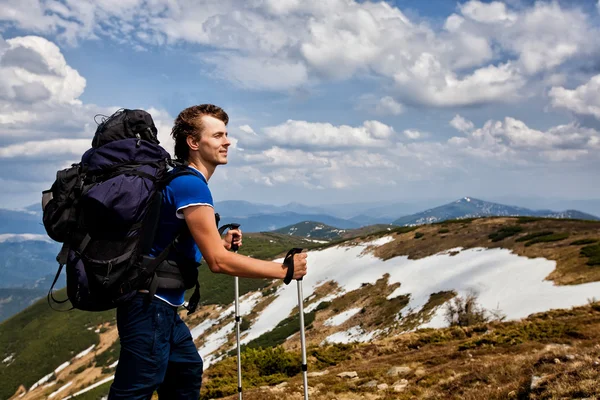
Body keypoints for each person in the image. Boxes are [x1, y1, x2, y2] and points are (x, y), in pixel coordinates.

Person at [108, 104, 308, 399]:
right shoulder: (191, 185)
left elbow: (176, 245)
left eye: (226, 134)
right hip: (149, 309)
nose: (227, 141)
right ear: (193, 142)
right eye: (217, 136)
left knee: (186, 373)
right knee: (134, 392)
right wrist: (284, 270)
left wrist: (220, 242)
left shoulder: (181, 179)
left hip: (160, 308)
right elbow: (218, 262)